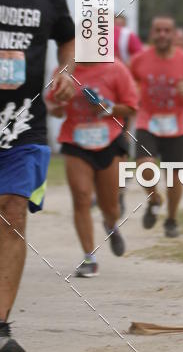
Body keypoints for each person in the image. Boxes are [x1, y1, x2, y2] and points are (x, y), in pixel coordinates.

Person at [0, 0, 75, 352]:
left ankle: (0, 326)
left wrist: (66, 68)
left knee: (12, 213)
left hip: (21, 126)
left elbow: (67, 38)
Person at [46, 60, 138, 277]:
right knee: (81, 197)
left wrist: (107, 106)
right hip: (75, 140)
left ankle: (110, 224)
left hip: (109, 140)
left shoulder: (117, 68)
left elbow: (131, 107)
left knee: (111, 207)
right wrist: (59, 105)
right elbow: (52, 107)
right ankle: (89, 257)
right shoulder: (63, 71)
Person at [130, 16, 183, 237]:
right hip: (148, 120)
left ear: (173, 35)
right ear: (152, 34)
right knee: (144, 166)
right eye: (158, 30)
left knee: (173, 177)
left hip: (177, 124)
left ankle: (171, 219)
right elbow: (128, 80)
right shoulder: (139, 60)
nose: (162, 34)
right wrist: (133, 92)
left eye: (167, 30)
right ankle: (154, 199)